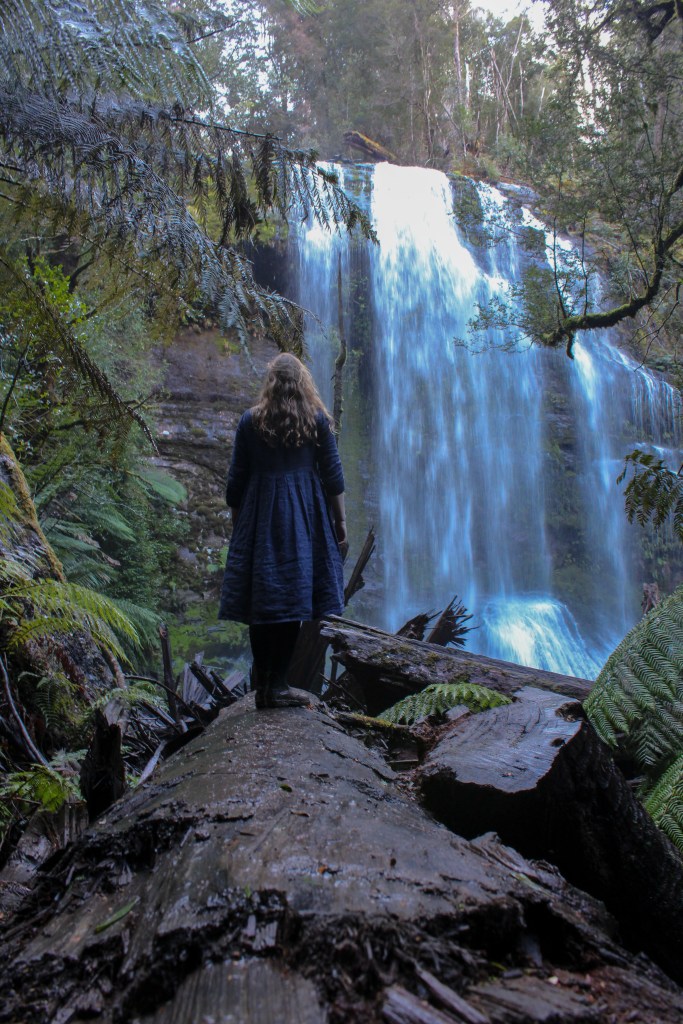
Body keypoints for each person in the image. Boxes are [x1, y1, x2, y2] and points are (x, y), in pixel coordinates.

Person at [218, 353, 348, 708]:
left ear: (271, 383)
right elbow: (333, 478)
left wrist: (239, 526)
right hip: (303, 519)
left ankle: (265, 686)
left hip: (260, 517)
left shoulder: (250, 422)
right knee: (293, 599)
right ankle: (278, 684)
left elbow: (235, 485)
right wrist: (341, 524)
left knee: (264, 602)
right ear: (302, 382)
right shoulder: (316, 420)